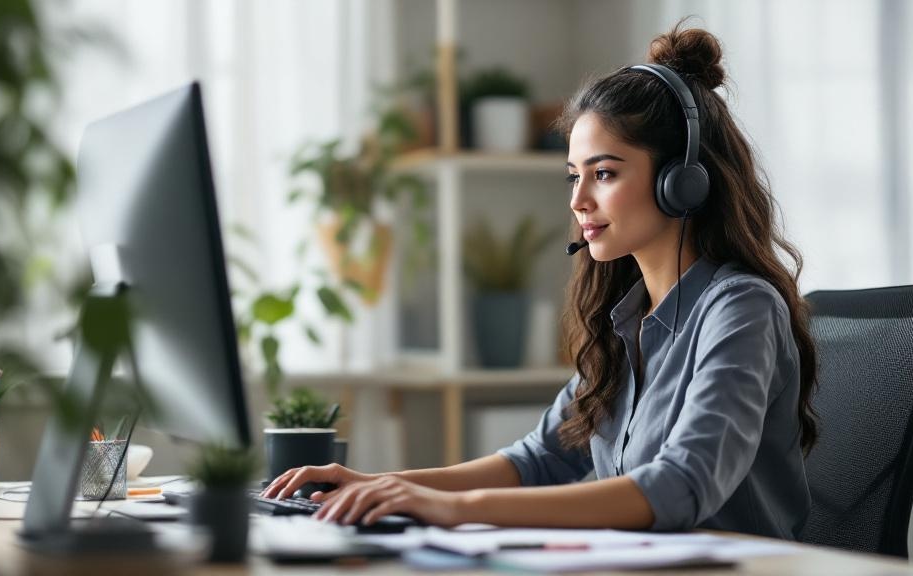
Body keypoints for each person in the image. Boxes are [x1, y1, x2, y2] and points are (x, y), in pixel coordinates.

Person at [262, 23, 818, 540]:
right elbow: (539, 459)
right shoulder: (627, 321)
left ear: (684, 182)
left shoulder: (740, 308)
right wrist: (382, 483)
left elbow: (681, 485)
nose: (578, 200)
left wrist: (454, 509)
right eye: (574, 176)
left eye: (603, 173)